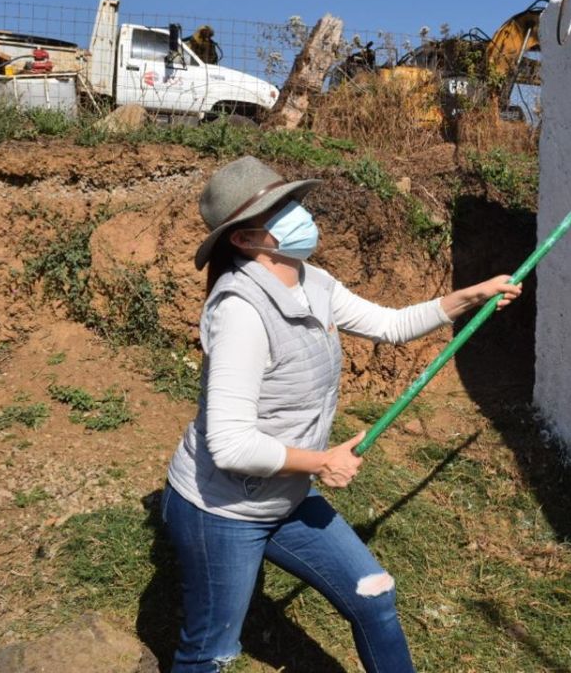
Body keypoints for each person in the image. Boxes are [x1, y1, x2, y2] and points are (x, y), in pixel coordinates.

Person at [161, 155, 521, 672]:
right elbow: (231, 444)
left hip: (284, 494)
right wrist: (321, 463)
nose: (298, 214)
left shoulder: (313, 282)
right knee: (210, 652)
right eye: (278, 210)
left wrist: (469, 296)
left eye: (292, 202)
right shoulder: (240, 311)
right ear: (244, 240)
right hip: (221, 513)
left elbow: (391, 325)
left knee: (374, 597)